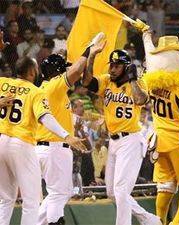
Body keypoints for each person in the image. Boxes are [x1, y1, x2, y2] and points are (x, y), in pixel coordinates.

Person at [0, 38, 86, 225]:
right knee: (32, 201)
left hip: (1, 141)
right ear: (32, 72)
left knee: (6, 199)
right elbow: (44, 117)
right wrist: (67, 135)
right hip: (22, 143)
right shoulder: (35, 91)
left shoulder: (3, 83)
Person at [82, 49, 161, 225]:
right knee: (112, 192)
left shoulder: (138, 82)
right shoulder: (107, 81)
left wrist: (132, 79)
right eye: (112, 64)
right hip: (114, 142)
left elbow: (141, 100)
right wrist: (92, 56)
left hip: (131, 140)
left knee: (121, 190)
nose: (112, 69)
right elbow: (87, 81)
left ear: (126, 67)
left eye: (117, 66)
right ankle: (150, 220)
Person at [35, 34, 106, 225]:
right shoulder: (53, 87)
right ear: (57, 72)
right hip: (54, 147)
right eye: (62, 70)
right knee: (59, 193)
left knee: (59, 193)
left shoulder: (45, 88)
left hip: (47, 147)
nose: (66, 73)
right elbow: (76, 70)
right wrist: (89, 48)